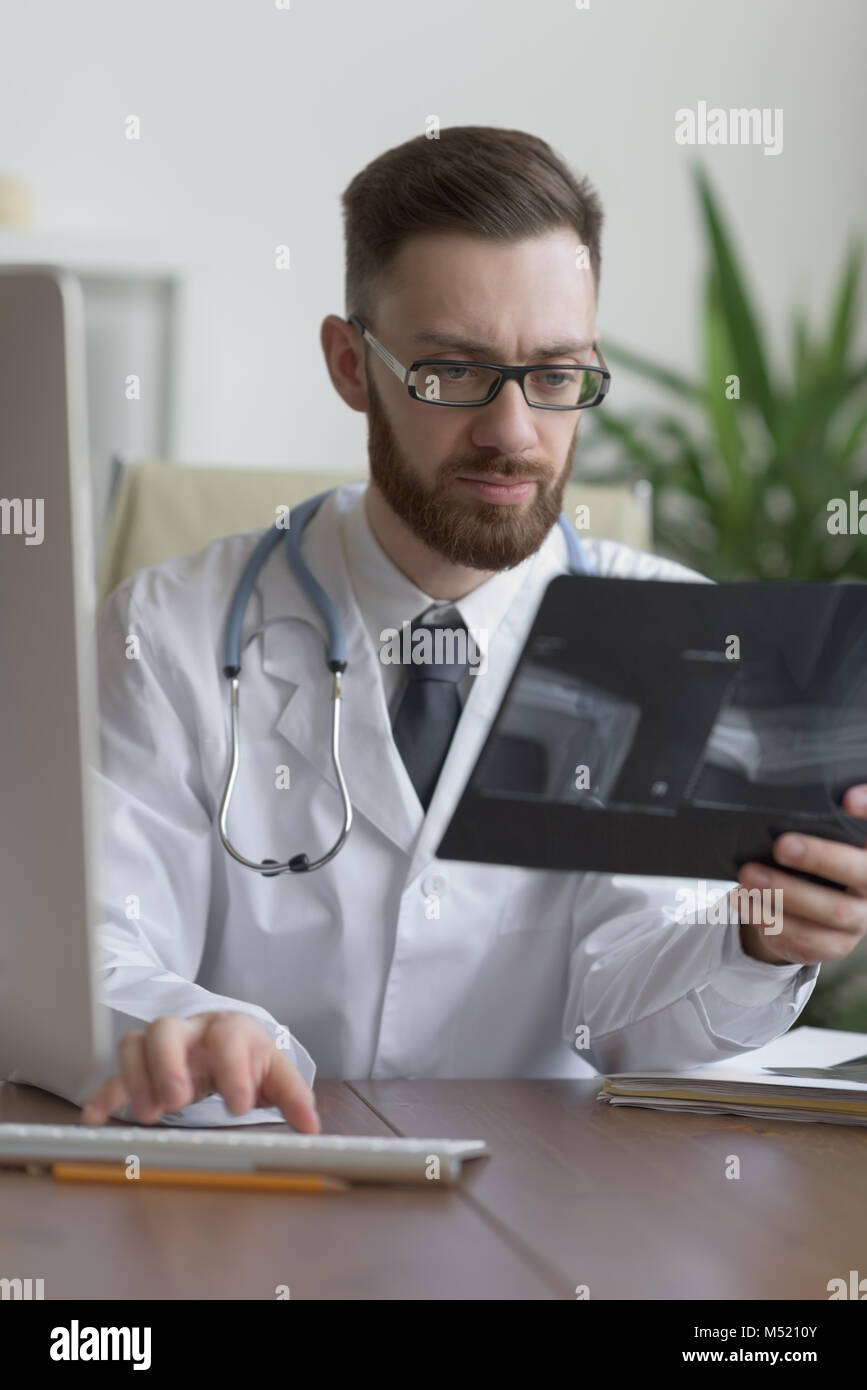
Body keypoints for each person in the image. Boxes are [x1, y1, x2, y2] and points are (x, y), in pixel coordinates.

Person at [81, 127, 867, 1132]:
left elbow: (632, 1015)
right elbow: (95, 947)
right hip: (260, 1191)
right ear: (349, 364)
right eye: (454, 372)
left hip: (556, 1223)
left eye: (555, 374)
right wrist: (192, 1026)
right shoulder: (165, 629)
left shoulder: (682, 636)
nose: (513, 431)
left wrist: (760, 939)